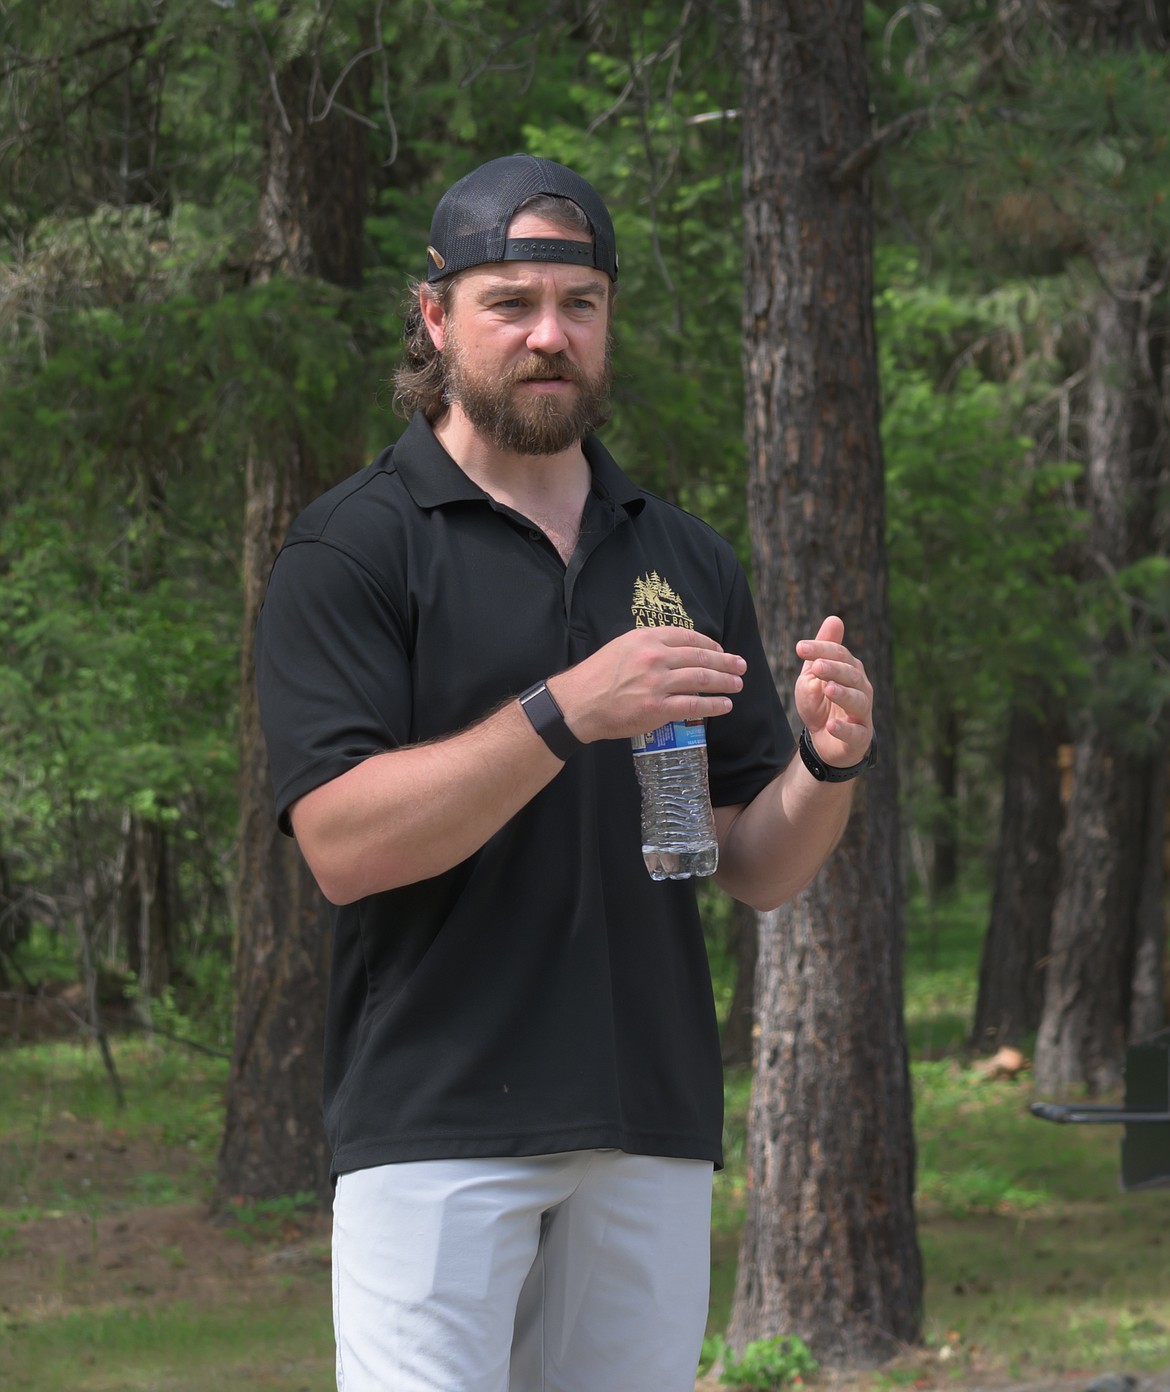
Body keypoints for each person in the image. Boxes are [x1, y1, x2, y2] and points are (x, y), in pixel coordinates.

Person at [255, 153, 876, 1392]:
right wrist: (564, 708)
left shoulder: (681, 554)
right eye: (512, 303)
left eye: (578, 306)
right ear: (436, 316)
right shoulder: (354, 548)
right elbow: (341, 844)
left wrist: (825, 761)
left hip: (646, 1119)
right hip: (435, 1127)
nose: (551, 335)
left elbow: (752, 861)